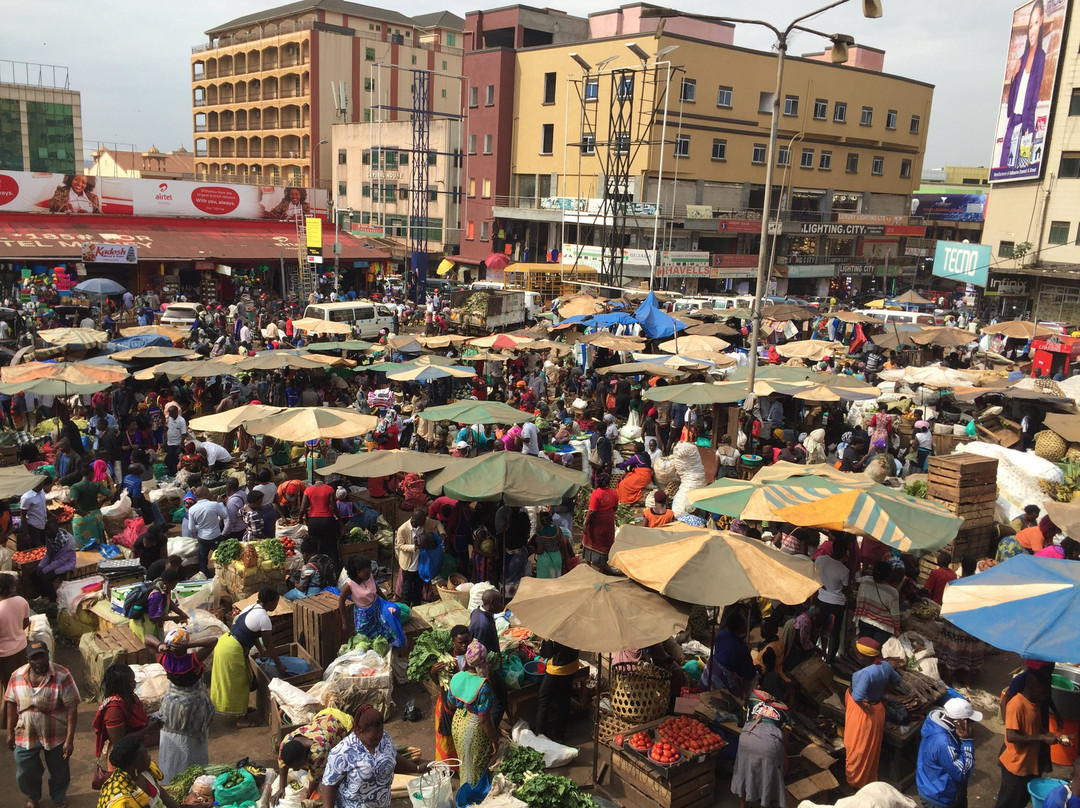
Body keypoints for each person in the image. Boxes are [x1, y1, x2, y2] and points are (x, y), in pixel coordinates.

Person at [4, 640, 81, 808]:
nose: (39, 661)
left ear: (48, 655)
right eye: (34, 658)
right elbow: (10, 702)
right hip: (25, 732)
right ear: (28, 659)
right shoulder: (16, 676)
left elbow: (71, 707)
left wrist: (69, 739)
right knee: (25, 768)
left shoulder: (63, 675)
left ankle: (59, 797)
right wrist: (9, 731)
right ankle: (32, 797)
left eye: (42, 656)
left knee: (59, 769)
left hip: (55, 733)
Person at [321, 704, 428, 808]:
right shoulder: (343, 752)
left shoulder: (384, 738)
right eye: (373, 738)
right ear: (360, 731)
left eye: (380, 735)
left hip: (382, 803)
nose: (378, 740)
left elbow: (393, 757)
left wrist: (416, 768)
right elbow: (329, 785)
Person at [209, 586, 284, 727]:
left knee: (232, 680)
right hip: (233, 650)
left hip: (225, 643)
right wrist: (279, 664)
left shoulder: (252, 608)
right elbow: (269, 644)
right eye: (276, 602)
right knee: (239, 683)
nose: (276, 605)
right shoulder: (264, 618)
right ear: (270, 602)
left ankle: (240, 710)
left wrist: (260, 650)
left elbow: (253, 632)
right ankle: (241, 719)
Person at [149, 628, 216, 782]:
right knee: (191, 748)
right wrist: (188, 644)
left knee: (173, 749)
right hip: (193, 711)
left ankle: (170, 778)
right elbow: (213, 641)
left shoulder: (166, 660)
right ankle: (194, 780)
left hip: (171, 709)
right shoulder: (192, 660)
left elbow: (147, 639)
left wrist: (161, 646)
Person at [994, 670, 1068, 808]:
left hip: (1029, 764)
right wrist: (1041, 737)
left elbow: (1035, 727)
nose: (1045, 695)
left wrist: (1050, 736)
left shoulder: (1035, 704)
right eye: (1042, 691)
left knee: (1020, 801)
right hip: (1016, 766)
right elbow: (1011, 736)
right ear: (1031, 687)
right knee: (1007, 802)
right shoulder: (1017, 705)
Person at [844, 637, 901, 788]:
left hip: (862, 714)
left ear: (862, 656)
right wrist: (883, 691)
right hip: (877, 710)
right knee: (871, 748)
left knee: (856, 747)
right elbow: (897, 680)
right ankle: (868, 779)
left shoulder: (865, 673)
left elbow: (857, 696)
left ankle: (854, 782)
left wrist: (863, 704)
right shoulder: (885, 667)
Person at [1000, 0, 1046, 170]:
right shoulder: (1021, 59)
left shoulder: (1040, 57)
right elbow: (1011, 100)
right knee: (1004, 165)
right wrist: (1013, 76)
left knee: (1021, 165)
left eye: (1036, 23)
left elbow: (1034, 98)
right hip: (1013, 120)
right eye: (1030, 26)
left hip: (1026, 122)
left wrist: (1030, 128)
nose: (1032, 30)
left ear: (1041, 22)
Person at [447, 640, 500, 788]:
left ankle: (467, 792)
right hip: (473, 728)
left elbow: (450, 703)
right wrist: (494, 739)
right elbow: (484, 719)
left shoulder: (457, 677)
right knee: (476, 767)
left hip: (457, 724)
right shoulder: (483, 685)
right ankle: (471, 797)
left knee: (465, 763)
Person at [275, 708, 354, 801]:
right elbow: (282, 764)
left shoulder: (319, 751)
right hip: (324, 715)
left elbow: (315, 778)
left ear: (306, 755)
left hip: (341, 722)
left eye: (298, 766)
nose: (296, 770)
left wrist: (307, 795)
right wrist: (281, 787)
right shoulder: (286, 742)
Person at [730, 687, 790, 808]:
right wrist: (784, 758)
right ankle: (765, 803)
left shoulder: (753, 695)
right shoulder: (785, 711)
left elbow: (744, 717)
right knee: (769, 776)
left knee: (744, 771)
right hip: (769, 746)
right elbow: (785, 739)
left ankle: (743, 805)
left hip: (747, 738)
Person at [917, 697, 981, 808]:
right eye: (969, 721)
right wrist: (967, 743)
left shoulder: (939, 723)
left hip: (937, 787)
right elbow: (962, 772)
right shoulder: (943, 742)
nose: (970, 725)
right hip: (939, 797)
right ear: (958, 721)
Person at [91, 663, 158, 767]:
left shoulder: (129, 699)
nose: (135, 683)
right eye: (131, 681)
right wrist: (148, 729)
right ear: (122, 685)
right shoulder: (114, 710)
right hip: (124, 761)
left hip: (136, 753)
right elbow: (120, 742)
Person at [338, 555, 406, 648]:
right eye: (367, 573)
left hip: (377, 605)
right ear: (358, 572)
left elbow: (376, 587)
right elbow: (341, 601)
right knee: (368, 638)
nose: (369, 574)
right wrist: (344, 622)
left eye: (370, 571)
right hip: (364, 614)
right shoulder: (349, 586)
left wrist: (386, 600)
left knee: (394, 611)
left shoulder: (369, 576)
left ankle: (390, 644)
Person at [430, 625, 470, 764]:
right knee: (447, 739)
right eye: (461, 643)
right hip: (448, 704)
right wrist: (433, 672)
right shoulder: (445, 657)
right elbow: (438, 683)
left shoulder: (473, 655)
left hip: (466, 704)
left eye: (467, 641)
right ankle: (449, 767)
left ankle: (464, 765)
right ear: (453, 641)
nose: (465, 645)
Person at [700, 612, 757, 698]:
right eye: (744, 624)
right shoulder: (741, 648)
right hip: (722, 681)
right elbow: (749, 674)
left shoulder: (722, 634)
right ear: (740, 627)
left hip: (709, 672)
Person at [0, 573, 30, 730]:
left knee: (9, 688)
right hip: (21, 648)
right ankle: (27, 713)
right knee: (21, 683)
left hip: (5, 655)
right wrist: (15, 632)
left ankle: (8, 722)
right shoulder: (22, 601)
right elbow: (25, 623)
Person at [395, 508, 441, 607]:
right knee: (406, 588)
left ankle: (417, 606)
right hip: (409, 563)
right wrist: (414, 547)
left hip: (421, 563)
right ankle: (405, 607)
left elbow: (438, 523)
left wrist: (442, 533)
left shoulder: (424, 522)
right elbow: (400, 546)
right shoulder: (403, 529)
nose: (425, 522)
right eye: (422, 521)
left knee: (418, 586)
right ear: (415, 521)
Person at [535, 639, 579, 742]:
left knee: (543, 700)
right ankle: (559, 735)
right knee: (564, 700)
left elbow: (546, 653)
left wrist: (541, 650)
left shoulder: (552, 631)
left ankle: (540, 736)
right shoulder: (575, 626)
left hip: (557, 669)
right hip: (572, 666)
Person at [129, 567, 188, 644]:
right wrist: (173, 618)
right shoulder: (156, 596)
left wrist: (181, 613)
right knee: (150, 649)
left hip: (151, 624)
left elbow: (168, 601)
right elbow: (154, 618)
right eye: (173, 585)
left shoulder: (163, 587)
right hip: (144, 625)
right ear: (165, 583)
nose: (174, 587)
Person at [30, 514, 77, 602]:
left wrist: (45, 569)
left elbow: (61, 561)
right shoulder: (49, 537)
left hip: (66, 563)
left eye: (49, 530)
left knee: (45, 578)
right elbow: (48, 553)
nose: (47, 532)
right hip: (54, 562)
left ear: (56, 529)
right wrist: (40, 566)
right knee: (33, 574)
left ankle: (53, 600)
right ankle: (43, 595)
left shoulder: (66, 541)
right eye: (46, 530)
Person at [853, 560, 901, 644]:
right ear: (888, 575)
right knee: (875, 649)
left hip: (864, 621)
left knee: (865, 646)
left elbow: (858, 598)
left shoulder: (864, 581)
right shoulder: (893, 593)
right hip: (883, 627)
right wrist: (897, 629)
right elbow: (895, 615)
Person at [186, 487, 227, 578]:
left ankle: (205, 578)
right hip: (215, 537)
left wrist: (201, 527)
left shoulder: (192, 509)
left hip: (202, 538)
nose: (210, 493)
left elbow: (191, 528)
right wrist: (221, 504)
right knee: (222, 557)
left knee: (202, 560)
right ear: (205, 494)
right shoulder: (214, 505)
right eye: (208, 492)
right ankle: (223, 575)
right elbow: (224, 515)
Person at [68, 464, 112, 547]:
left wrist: (79, 510)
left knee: (82, 542)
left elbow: (72, 500)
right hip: (95, 516)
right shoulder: (97, 485)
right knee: (98, 541)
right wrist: (101, 502)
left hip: (81, 517)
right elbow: (110, 494)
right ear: (91, 473)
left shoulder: (75, 487)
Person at [582, 472, 618, 569]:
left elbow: (592, 511)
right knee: (605, 541)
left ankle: (593, 565)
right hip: (608, 521)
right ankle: (603, 564)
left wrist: (586, 524)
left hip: (597, 522)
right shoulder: (614, 493)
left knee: (593, 541)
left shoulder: (596, 494)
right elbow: (615, 507)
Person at [301, 478, 340, 563]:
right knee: (331, 544)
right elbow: (333, 508)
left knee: (315, 544)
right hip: (327, 520)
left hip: (313, 521)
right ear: (323, 480)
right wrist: (339, 519)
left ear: (314, 481)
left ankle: (317, 566)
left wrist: (299, 519)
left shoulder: (308, 490)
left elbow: (303, 508)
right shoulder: (329, 489)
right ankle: (333, 566)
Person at [19, 476, 51, 549]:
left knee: (46, 548)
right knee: (38, 549)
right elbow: (23, 516)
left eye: (42, 483)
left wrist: (51, 514)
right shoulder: (27, 497)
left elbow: (42, 506)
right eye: (39, 484)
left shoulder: (41, 492)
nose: (41, 485)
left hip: (43, 525)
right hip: (34, 528)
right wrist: (26, 533)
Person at [163, 404, 186, 477]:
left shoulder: (181, 421)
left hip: (176, 444)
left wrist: (180, 447)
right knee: (174, 460)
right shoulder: (169, 418)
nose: (169, 414)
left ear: (176, 412)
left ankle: (174, 473)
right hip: (170, 442)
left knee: (168, 460)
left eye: (171, 413)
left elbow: (183, 434)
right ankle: (176, 473)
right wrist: (165, 441)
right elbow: (167, 429)